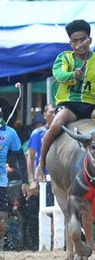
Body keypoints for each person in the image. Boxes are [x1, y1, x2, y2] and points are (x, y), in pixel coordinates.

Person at [35, 19, 95, 182]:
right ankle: (41, 164)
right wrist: (73, 75)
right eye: (75, 41)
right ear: (70, 43)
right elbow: (59, 75)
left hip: (94, 106)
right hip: (70, 107)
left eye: (82, 39)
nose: (79, 44)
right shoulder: (64, 58)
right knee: (56, 125)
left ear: (90, 40)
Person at [0, 106, 30, 249]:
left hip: (2, 183)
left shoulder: (10, 133)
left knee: (2, 220)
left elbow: (20, 157)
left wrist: (25, 181)